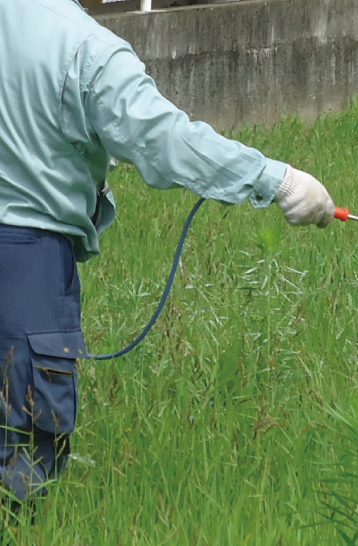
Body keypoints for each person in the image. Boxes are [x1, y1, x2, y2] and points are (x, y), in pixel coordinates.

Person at [0, 0, 335, 508]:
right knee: (21, 466)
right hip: (29, 264)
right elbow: (167, 139)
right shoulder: (83, 46)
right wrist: (278, 180)